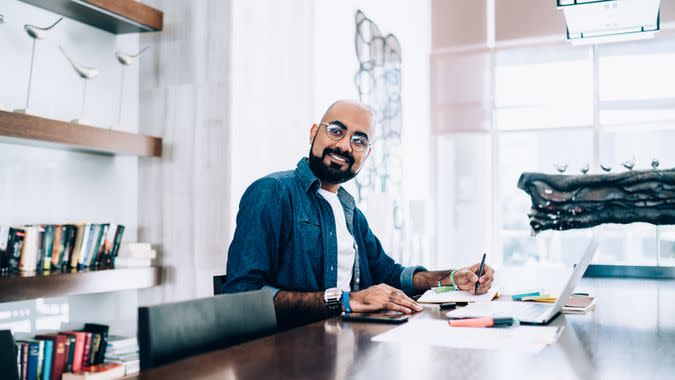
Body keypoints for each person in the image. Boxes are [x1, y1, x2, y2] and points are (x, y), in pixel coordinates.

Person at [223, 99, 494, 325]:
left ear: (367, 154)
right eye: (336, 131)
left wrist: (450, 278)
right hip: (287, 354)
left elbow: (389, 275)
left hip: (348, 345)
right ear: (313, 133)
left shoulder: (350, 212)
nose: (344, 146)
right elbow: (241, 295)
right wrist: (345, 301)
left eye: (359, 140)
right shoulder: (272, 193)